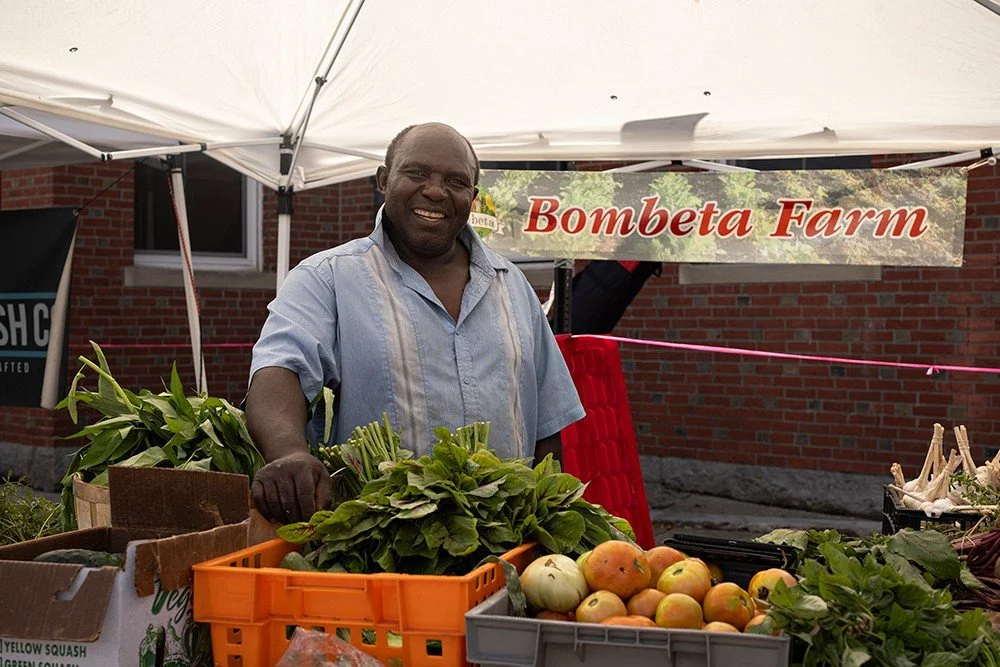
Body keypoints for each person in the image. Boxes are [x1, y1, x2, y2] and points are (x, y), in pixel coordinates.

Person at [245, 122, 585, 524]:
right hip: (381, 550)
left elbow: (546, 425)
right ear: (384, 180)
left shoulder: (512, 287)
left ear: (472, 199)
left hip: (504, 548)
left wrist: (551, 520)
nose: (436, 191)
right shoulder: (327, 278)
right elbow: (278, 369)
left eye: (455, 181)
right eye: (417, 173)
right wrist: (289, 452)